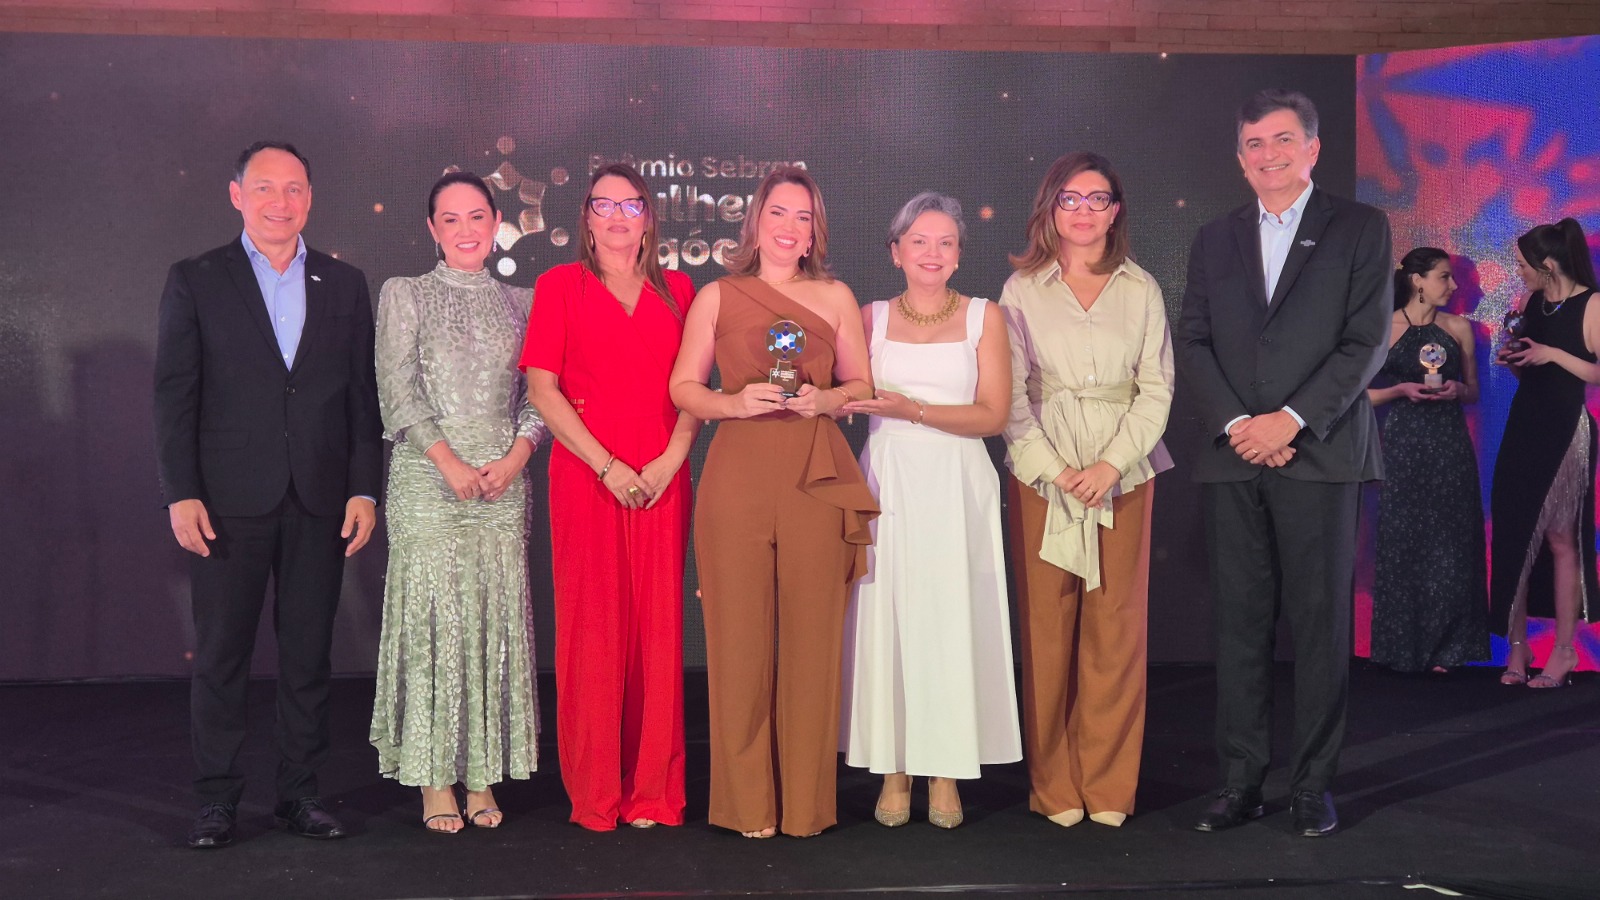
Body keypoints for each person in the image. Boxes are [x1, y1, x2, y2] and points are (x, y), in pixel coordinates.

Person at [154, 141, 383, 848]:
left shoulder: (344, 283)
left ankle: (300, 794)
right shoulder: (197, 278)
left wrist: (364, 489)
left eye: (293, 189)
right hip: (227, 500)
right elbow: (175, 394)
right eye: (264, 188)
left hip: (320, 497)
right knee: (222, 655)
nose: (279, 202)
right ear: (237, 195)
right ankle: (216, 800)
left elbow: (361, 398)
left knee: (308, 656)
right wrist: (181, 491)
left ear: (309, 198)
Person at [1176, 90, 1391, 838]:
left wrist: (1289, 420)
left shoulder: (1360, 227)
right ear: (1240, 159)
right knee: (1239, 627)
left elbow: (1366, 341)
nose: (1269, 155)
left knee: (1320, 626)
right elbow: (1193, 339)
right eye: (1254, 144)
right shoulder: (1214, 238)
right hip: (1234, 457)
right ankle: (1239, 783)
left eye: (1282, 140)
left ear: (1313, 147)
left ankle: (1312, 787)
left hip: (1319, 452)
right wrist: (1241, 425)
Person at [668, 166, 877, 839]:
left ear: (815, 232)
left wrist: (828, 398)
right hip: (737, 479)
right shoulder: (716, 296)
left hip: (816, 476)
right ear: (755, 221)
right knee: (737, 645)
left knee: (814, 644)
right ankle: (746, 805)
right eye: (779, 213)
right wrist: (733, 403)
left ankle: (807, 806)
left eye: (803, 217)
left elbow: (862, 384)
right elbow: (682, 387)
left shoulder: (837, 296)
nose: (790, 228)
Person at [520, 163, 698, 831]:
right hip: (588, 473)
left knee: (657, 630)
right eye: (605, 205)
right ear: (586, 218)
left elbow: (694, 390)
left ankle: (652, 790)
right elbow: (542, 391)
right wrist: (607, 466)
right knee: (592, 631)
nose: (619, 216)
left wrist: (670, 461)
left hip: (662, 472)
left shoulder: (680, 289)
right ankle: (596, 791)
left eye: (632, 204)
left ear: (649, 217)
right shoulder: (559, 285)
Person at [999, 153, 1174, 830]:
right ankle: (1054, 784)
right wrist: (1052, 468)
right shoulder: (1022, 289)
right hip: (1043, 474)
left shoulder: (1142, 288)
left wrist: (1111, 465)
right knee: (1048, 631)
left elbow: (1156, 389)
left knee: (1115, 631)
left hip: (1123, 473)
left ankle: (1108, 784)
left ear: (1115, 210)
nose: (1082, 211)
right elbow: (1010, 392)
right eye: (1069, 198)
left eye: (1096, 199)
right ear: (1051, 207)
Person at [369, 172, 546, 833]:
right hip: (428, 477)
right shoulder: (406, 293)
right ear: (432, 229)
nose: (466, 230)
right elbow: (396, 390)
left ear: (497, 222)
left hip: (503, 480)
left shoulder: (525, 301)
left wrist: (517, 456)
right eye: (451, 219)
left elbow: (541, 396)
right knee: (434, 621)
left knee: (491, 621)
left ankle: (482, 774)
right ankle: (433, 777)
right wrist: (447, 462)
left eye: (477, 216)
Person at [837, 192, 1020, 830]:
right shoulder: (869, 317)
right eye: (919, 241)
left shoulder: (985, 317)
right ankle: (894, 768)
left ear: (959, 254)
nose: (932, 253)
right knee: (888, 617)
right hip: (888, 482)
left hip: (957, 483)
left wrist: (910, 409)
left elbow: (992, 416)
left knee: (950, 619)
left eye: (945, 242)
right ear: (896, 252)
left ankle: (946, 769)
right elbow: (844, 393)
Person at [1367, 248, 1487, 674]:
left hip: (1449, 445)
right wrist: (1399, 391)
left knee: (1452, 544)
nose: (1453, 286)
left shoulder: (1459, 328)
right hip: (1402, 445)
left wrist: (1457, 390)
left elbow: (1473, 391)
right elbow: (1356, 396)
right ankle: (1402, 647)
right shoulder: (1382, 328)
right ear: (1417, 280)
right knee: (1404, 543)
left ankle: (1450, 650)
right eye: (1444, 277)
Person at [1491, 218, 1599, 688]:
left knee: (1560, 537)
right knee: (1515, 533)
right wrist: (1516, 360)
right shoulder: (1529, 303)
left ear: (1548, 265)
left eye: (1522, 265)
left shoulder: (1592, 304)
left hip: (1565, 427)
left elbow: (1597, 373)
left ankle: (1564, 651)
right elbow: (1530, 372)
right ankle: (1517, 648)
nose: (1518, 272)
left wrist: (1551, 354)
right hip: (1525, 424)